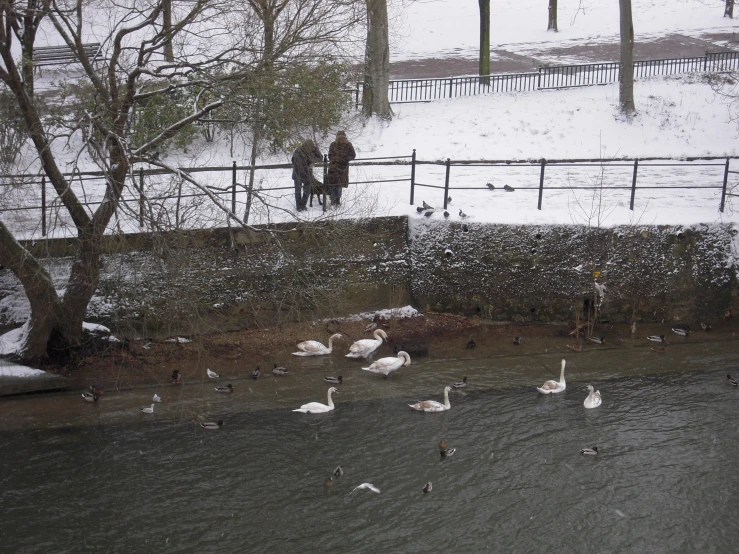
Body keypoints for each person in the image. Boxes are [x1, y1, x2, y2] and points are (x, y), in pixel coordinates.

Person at [326, 131, 356, 206]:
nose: (341, 139)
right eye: (340, 137)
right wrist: (337, 159)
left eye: (343, 137)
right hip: (333, 168)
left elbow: (353, 155)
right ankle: (333, 200)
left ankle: (338, 200)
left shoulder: (348, 145)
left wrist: (346, 159)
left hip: (343, 168)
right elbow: (330, 155)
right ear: (337, 137)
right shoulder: (333, 144)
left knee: (340, 185)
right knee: (333, 185)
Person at [291, 139, 323, 211]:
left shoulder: (313, 150)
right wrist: (310, 162)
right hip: (298, 173)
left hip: (308, 174)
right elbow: (297, 161)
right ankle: (299, 206)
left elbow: (321, 158)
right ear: (304, 146)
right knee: (298, 191)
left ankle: (303, 205)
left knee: (307, 191)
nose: (309, 149)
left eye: (311, 148)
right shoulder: (298, 151)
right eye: (308, 147)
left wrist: (316, 150)